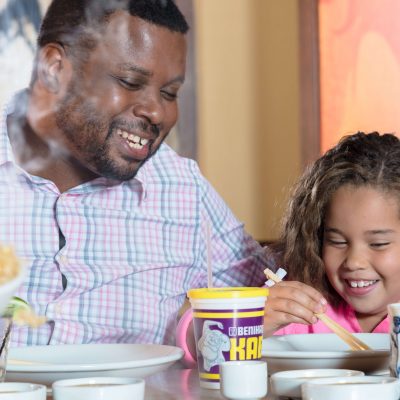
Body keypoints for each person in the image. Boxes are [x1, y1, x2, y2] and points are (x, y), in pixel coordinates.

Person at [2, 0, 271, 348]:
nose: (156, 112)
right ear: (55, 69)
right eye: (130, 81)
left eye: (169, 93)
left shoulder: (182, 190)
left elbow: (268, 290)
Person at [264, 131, 400, 336]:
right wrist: (249, 323)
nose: (354, 262)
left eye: (378, 244)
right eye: (337, 241)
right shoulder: (300, 308)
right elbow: (203, 341)